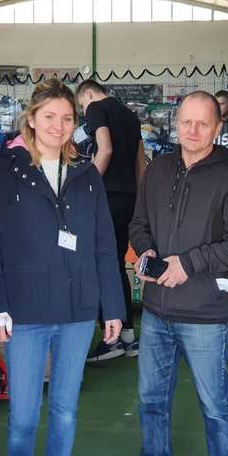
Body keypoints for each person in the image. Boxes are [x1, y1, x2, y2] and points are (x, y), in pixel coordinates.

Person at [0, 78, 125, 456]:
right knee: (24, 418)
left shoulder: (86, 175)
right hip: (25, 314)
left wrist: (112, 306)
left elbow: (104, 244)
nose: (58, 126)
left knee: (65, 412)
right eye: (49, 117)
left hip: (77, 313)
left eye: (67, 118)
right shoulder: (4, 172)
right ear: (32, 118)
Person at [129, 91, 228, 456]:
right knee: (152, 403)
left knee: (215, 408)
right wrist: (148, 252)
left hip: (205, 314)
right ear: (176, 123)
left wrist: (188, 264)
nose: (193, 130)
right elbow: (138, 224)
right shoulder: (158, 170)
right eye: (186, 121)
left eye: (203, 123)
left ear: (218, 128)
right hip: (156, 312)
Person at [75, 80, 145, 362]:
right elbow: (141, 163)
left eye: (81, 105)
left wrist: (86, 186)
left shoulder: (95, 109)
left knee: (100, 264)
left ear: (88, 94)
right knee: (115, 263)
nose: (83, 110)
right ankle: (127, 334)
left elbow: (105, 149)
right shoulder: (130, 115)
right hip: (129, 198)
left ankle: (111, 337)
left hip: (105, 197)